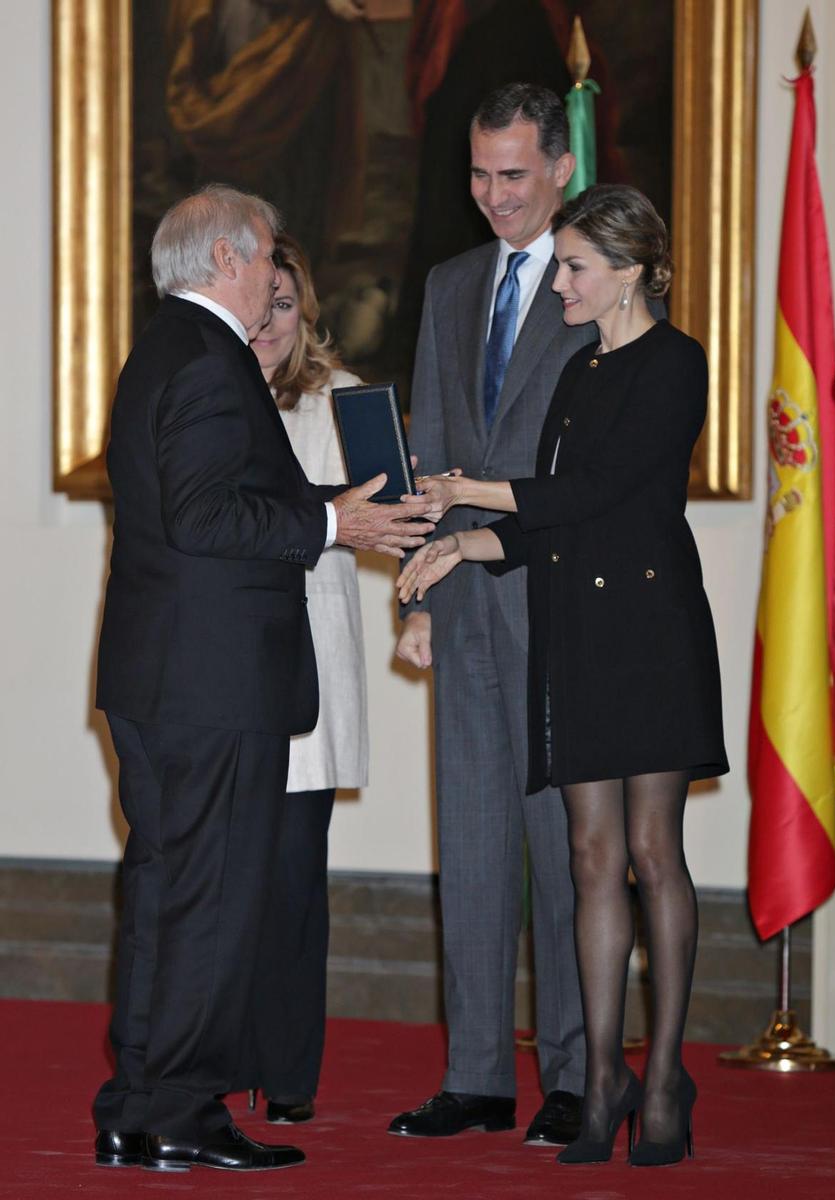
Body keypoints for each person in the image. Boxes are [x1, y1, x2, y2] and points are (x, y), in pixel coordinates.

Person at [92, 184, 434, 1173]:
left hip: (169, 675)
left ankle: (138, 1104)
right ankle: (184, 1110)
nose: (272, 280)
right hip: (209, 684)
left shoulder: (167, 347)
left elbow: (225, 502)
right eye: (263, 262)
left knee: (167, 892)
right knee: (207, 899)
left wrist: (335, 507)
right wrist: (334, 525)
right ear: (231, 258)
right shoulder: (209, 361)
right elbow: (208, 520)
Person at [399, 183, 729, 1168]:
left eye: (575, 268)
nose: (561, 285)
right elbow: (549, 524)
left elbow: (600, 490)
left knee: (650, 854)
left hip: (650, 633)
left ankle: (662, 1074)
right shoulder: (577, 373)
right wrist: (461, 550)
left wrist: (467, 493)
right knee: (587, 856)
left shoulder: (676, 363)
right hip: (575, 631)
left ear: (627, 272)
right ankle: (601, 1091)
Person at [390, 82, 590, 1147]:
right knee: (468, 848)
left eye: (514, 175)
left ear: (559, 168)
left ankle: (569, 1068)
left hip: (562, 607)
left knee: (565, 854)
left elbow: (603, 462)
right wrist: (420, 591)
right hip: (465, 608)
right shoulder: (452, 281)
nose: (495, 196)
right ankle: (474, 1073)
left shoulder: (597, 282)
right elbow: (431, 454)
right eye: (479, 175)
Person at [241, 232, 368, 1124]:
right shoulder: (208, 394)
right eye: (259, 306)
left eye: (284, 307)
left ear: (305, 311)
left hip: (309, 674)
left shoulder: (345, 404)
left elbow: (391, 515)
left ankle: (288, 1075)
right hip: (222, 673)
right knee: (223, 881)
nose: (269, 324)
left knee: (290, 881)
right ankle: (215, 1056)